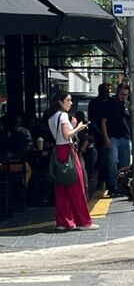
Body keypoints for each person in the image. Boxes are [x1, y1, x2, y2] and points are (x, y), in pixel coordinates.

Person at [48, 92, 98, 231]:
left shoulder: (52, 117)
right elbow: (67, 135)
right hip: (67, 150)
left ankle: (63, 221)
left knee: (61, 188)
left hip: (58, 150)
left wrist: (72, 125)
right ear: (60, 102)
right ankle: (83, 221)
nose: (71, 103)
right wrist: (78, 128)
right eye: (68, 100)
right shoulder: (63, 115)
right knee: (77, 187)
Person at [101, 84, 131, 197]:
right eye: (122, 94)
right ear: (118, 92)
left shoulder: (128, 105)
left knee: (125, 164)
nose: (124, 96)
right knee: (112, 162)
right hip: (112, 137)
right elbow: (103, 122)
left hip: (125, 138)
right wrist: (106, 138)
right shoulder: (108, 104)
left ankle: (122, 187)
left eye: (126, 95)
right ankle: (112, 186)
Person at [88, 83, 110, 190]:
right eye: (105, 91)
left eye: (108, 91)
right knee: (102, 158)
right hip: (98, 135)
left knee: (109, 159)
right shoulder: (94, 103)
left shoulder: (111, 102)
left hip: (111, 134)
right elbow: (92, 120)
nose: (107, 93)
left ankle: (109, 180)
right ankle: (101, 181)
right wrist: (98, 133)